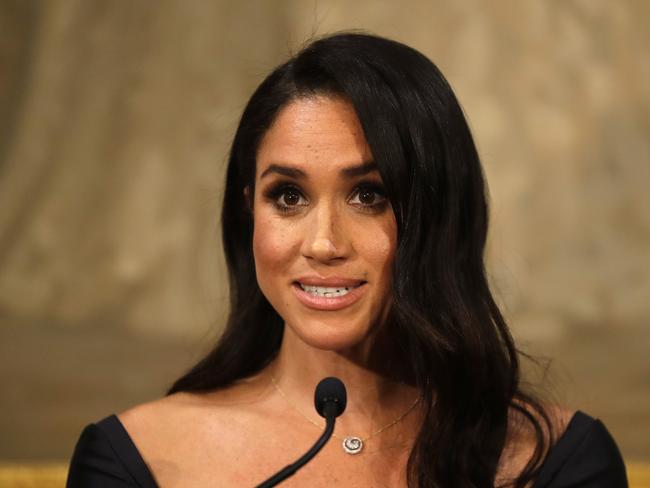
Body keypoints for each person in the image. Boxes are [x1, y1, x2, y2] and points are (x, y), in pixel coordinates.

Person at [67, 32, 627, 487]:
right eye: (288, 196)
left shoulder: (558, 464)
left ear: (439, 216)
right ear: (248, 213)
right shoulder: (137, 461)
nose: (323, 243)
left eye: (369, 195)